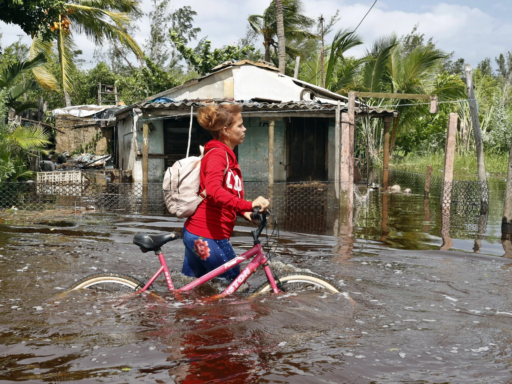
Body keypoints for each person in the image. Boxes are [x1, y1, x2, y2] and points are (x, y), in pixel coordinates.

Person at [182, 104, 270, 281]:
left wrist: (244, 212)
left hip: (200, 234)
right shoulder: (218, 155)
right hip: (207, 235)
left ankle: (177, 309)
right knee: (235, 284)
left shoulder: (227, 156)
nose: (244, 129)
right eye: (240, 125)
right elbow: (214, 191)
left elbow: (226, 196)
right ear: (225, 130)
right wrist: (249, 203)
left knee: (191, 291)